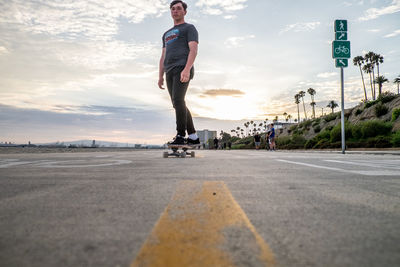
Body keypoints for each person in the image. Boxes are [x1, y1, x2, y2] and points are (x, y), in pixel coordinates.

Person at [158, 0, 200, 146]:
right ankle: (193, 137)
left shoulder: (189, 28)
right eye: (172, 9)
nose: (175, 11)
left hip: (182, 67)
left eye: (178, 8)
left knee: (178, 100)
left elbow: (193, 50)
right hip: (169, 70)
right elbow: (163, 55)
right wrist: (160, 76)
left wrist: (187, 69)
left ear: (184, 12)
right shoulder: (166, 34)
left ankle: (181, 135)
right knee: (177, 103)